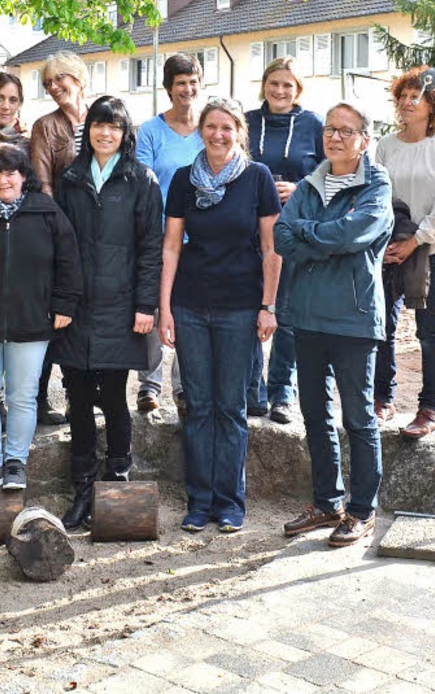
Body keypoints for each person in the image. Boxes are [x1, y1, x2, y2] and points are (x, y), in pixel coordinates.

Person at [158, 98, 280, 534]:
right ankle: (200, 501)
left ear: (239, 132)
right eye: (211, 127)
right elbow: (171, 246)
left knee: (230, 408)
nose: (218, 134)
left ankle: (230, 503)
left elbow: (271, 248)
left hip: (240, 307)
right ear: (201, 131)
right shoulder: (182, 181)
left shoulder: (257, 177)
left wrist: (268, 305)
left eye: (226, 127)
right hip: (190, 305)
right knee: (199, 407)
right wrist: (165, 309)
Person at [275, 102, 393, 547]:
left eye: (345, 131)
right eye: (329, 129)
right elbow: (282, 238)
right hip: (307, 316)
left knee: (359, 417)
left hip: (354, 318)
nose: (335, 137)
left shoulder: (376, 184)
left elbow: (354, 234)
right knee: (315, 415)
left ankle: (362, 510)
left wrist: (311, 235)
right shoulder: (310, 183)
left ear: (364, 139)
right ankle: (328, 503)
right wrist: (323, 236)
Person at [51, 96, 162, 530]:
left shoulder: (141, 179)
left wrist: (145, 304)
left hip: (121, 307)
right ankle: (81, 492)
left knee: (114, 398)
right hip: (77, 308)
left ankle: (116, 482)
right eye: (98, 125)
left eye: (114, 126)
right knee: (78, 398)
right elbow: (59, 245)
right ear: (89, 131)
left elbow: (151, 247)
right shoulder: (71, 179)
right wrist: (61, 301)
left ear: (125, 133)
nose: (105, 133)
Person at [0, 143, 81, 493]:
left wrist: (65, 305)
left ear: (25, 176)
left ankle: (15, 464)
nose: (2, 181)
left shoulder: (46, 211)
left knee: (22, 398)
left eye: (10, 173)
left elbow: (69, 261)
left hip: (32, 321)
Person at [374, 66, 435, 438]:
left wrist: (416, 240)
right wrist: (385, 243)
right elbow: (375, 196)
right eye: (404, 96)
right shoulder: (386, 145)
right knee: (383, 327)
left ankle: (430, 408)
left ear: (433, 104)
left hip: (434, 248)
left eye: (417, 96)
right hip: (390, 248)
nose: (408, 103)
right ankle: (382, 399)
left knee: (428, 330)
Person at [244, 57, 326, 425]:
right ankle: (252, 389)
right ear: (263, 84)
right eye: (274, 83)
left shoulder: (313, 125)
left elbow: (330, 172)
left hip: (295, 226)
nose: (280, 91)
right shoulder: (247, 121)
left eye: (287, 85)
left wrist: (301, 188)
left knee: (286, 311)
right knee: (250, 307)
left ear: (298, 90)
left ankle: (281, 392)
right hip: (247, 227)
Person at [133, 53, 204, 414]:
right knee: (154, 307)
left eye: (192, 82)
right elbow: (144, 184)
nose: (187, 89)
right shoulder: (150, 131)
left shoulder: (208, 128)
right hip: (159, 234)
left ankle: (183, 385)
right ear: (168, 88)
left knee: (187, 311)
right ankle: (149, 384)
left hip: (200, 237)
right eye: (180, 83)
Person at [29, 51, 90, 425]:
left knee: (84, 317)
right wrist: (60, 230)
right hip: (60, 232)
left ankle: (79, 396)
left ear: (78, 78)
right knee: (53, 316)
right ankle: (36, 398)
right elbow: (42, 182)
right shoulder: (45, 126)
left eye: (59, 79)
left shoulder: (103, 115)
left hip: (99, 233)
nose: (53, 87)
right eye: (48, 83)